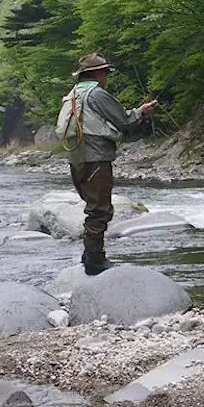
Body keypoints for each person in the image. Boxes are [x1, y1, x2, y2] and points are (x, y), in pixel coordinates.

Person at [58, 53, 157, 275]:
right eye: (105, 71)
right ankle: (95, 261)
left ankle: (88, 254)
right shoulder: (97, 94)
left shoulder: (73, 95)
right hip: (97, 159)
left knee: (94, 208)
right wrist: (142, 111)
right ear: (95, 74)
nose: (107, 75)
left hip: (77, 160)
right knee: (99, 211)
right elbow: (124, 120)